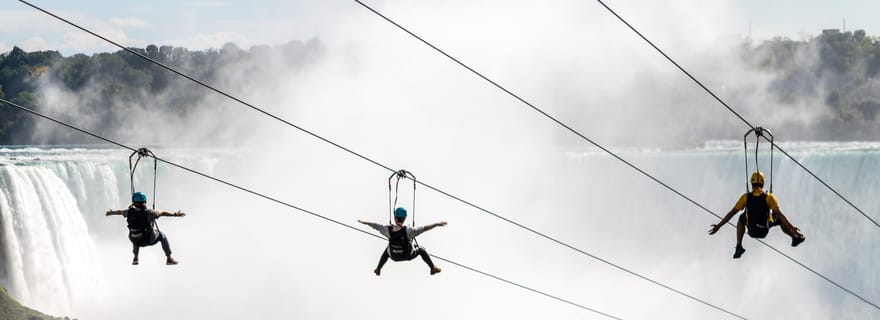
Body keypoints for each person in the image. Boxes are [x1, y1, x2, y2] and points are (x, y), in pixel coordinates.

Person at [709, 171, 806, 259]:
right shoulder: (769, 197)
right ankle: (794, 236)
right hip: (764, 230)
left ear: (751, 184)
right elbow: (780, 215)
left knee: (741, 217)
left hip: (752, 230)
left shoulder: (745, 197)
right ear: (763, 184)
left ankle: (739, 246)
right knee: (779, 218)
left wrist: (719, 225)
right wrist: (792, 228)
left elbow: (731, 213)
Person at [358, 207, 447, 275]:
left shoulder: (388, 230)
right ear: (404, 219)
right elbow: (424, 228)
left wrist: (365, 222)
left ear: (395, 218)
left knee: (387, 250)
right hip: (407, 255)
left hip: (394, 256)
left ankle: (378, 269)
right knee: (421, 249)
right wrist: (436, 224)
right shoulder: (409, 231)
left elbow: (376, 226)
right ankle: (432, 268)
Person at [106, 191, 185, 265]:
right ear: (145, 202)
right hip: (148, 240)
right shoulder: (150, 213)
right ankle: (169, 258)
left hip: (136, 241)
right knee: (162, 236)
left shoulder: (129, 212)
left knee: (135, 233)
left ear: (134, 203)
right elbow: (162, 213)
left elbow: (120, 212)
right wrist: (175, 214)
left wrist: (111, 212)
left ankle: (135, 258)